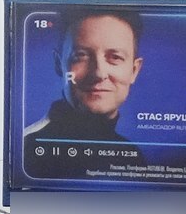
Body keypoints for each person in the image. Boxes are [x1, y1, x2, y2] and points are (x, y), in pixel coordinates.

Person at [33, 9, 145, 141]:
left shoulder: (132, 154)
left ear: (134, 70)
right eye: (81, 56)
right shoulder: (25, 146)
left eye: (115, 57)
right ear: (59, 64)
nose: (99, 73)